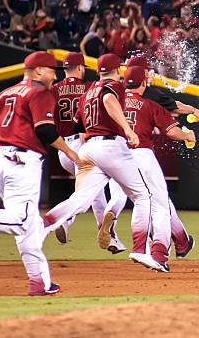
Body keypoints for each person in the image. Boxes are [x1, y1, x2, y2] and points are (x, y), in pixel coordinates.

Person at [0, 52, 86, 296]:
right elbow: (45, 131)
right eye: (52, 70)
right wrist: (72, 154)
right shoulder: (39, 92)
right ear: (39, 70)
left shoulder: (4, 93)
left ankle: (40, 282)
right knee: (21, 221)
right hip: (22, 161)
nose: (55, 75)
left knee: (29, 225)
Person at [41, 54, 169, 272]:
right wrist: (128, 129)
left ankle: (42, 225)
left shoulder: (88, 90)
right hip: (111, 146)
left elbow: (76, 127)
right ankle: (139, 249)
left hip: (88, 147)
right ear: (117, 69)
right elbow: (109, 100)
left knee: (81, 198)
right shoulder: (115, 86)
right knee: (143, 196)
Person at [120, 66, 197, 258]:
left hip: (116, 158)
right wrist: (188, 135)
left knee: (144, 201)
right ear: (144, 82)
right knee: (160, 205)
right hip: (141, 155)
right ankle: (159, 253)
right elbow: (172, 132)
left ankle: (177, 242)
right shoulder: (148, 103)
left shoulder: (112, 101)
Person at [50, 53, 119, 251]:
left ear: (65, 70)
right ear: (80, 68)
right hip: (84, 144)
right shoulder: (90, 88)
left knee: (94, 192)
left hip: (63, 149)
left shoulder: (54, 90)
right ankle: (65, 218)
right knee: (93, 190)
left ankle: (109, 238)